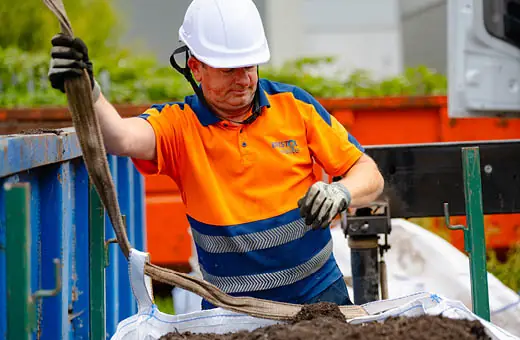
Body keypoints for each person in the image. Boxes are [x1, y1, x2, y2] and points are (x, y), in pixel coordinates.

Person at [48, 0, 384, 309]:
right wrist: (87, 89)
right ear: (195, 68)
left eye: (249, 66)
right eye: (228, 70)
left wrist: (342, 190)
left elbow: (368, 172)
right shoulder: (180, 127)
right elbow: (120, 137)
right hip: (232, 311)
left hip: (321, 298)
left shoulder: (295, 106)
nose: (243, 80)